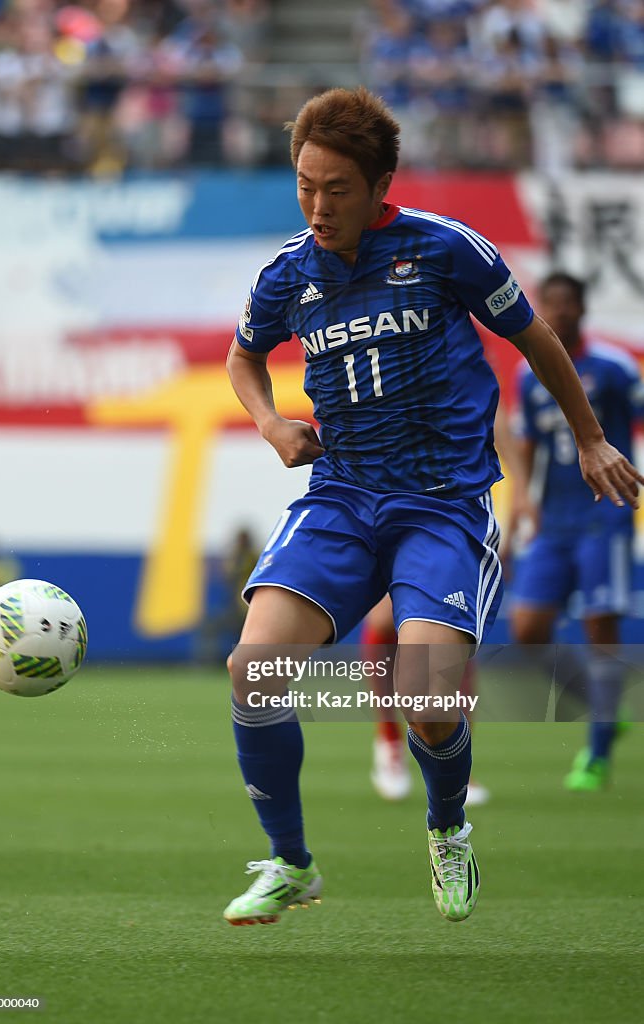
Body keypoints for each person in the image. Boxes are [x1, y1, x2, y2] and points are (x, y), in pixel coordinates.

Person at [223, 86, 642, 927]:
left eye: (336, 187)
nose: (317, 204)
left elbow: (535, 338)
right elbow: (244, 358)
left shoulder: (445, 250)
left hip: (441, 505)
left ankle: (446, 825)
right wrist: (270, 423)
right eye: (305, 184)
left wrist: (591, 438)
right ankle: (289, 861)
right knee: (251, 670)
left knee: (429, 697)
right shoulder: (286, 273)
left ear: (380, 184)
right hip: (341, 495)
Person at [510, 271, 643, 791]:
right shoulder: (529, 373)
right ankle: (604, 706)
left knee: (598, 629)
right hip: (555, 518)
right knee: (527, 630)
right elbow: (526, 446)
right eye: (552, 303)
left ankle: (596, 756)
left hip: (604, 513)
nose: (560, 311)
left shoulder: (614, 367)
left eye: (569, 302)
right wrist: (522, 499)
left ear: (583, 308)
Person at [366, 402, 532, 804]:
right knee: (385, 623)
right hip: (395, 512)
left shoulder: (477, 387)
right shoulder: (398, 372)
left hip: (460, 522)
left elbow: (512, 460)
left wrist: (515, 518)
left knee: (452, 636)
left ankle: (460, 765)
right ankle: (388, 742)